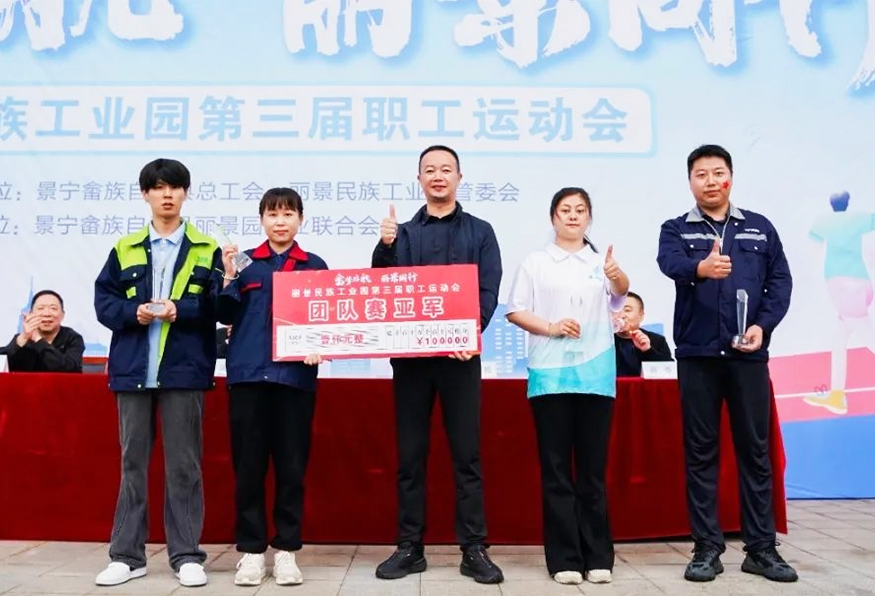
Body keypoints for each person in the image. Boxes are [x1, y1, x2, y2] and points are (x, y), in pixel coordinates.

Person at [656, 144, 796, 583]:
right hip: (697, 355)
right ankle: (706, 548)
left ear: (730, 177)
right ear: (690, 182)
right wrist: (701, 268)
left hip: (747, 356)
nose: (711, 181)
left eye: (718, 172)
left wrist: (763, 326)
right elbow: (669, 263)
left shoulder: (759, 227)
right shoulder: (676, 228)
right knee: (701, 452)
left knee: (755, 452)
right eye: (701, 174)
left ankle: (761, 549)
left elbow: (780, 281)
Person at [371, 145, 504, 584]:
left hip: (458, 359)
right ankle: (410, 546)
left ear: (459, 177)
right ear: (419, 179)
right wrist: (385, 247)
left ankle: (474, 548)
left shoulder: (481, 231)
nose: (438, 176)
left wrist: (470, 333)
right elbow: (381, 286)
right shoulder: (403, 233)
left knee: (467, 455)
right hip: (411, 361)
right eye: (430, 170)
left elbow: (488, 290)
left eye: (446, 169)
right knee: (410, 456)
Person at [93, 158, 221, 588]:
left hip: (184, 371)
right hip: (133, 371)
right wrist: (134, 313)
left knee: (184, 465)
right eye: (159, 187)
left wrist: (178, 309)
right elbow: (104, 303)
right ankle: (127, 556)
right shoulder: (124, 248)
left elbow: (218, 305)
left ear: (186, 193)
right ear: (145, 194)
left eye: (175, 187)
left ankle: (186, 555)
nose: (167, 194)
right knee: (133, 464)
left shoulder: (207, 248)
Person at [506, 187, 629, 586]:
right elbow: (516, 310)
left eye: (580, 210)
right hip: (550, 375)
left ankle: (598, 557)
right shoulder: (536, 262)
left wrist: (617, 276)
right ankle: (564, 559)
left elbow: (621, 295)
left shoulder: (600, 262)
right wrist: (552, 327)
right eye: (565, 210)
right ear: (553, 217)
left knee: (592, 470)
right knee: (557, 470)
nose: (573, 216)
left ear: (589, 218)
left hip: (596, 375)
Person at [217, 188, 327, 587]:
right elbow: (223, 312)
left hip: (295, 379)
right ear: (262, 219)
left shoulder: (314, 265)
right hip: (248, 376)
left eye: (288, 214)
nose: (280, 222)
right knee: (248, 468)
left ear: (301, 219)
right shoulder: (243, 263)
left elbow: (326, 319)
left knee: (292, 468)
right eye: (273, 214)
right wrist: (228, 276)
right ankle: (250, 552)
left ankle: (286, 551)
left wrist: (319, 344)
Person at [804, 191, 875, 415]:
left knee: (867, 336)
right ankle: (836, 396)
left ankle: (836, 397)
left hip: (844, 286)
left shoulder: (823, 222)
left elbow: (813, 251)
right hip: (859, 282)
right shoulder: (860, 218)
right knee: (839, 339)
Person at [1, 289, 84, 372]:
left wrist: (38, 340)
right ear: (30, 314)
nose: (46, 314)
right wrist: (21, 340)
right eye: (40, 308)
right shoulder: (23, 338)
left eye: (53, 308)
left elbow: (70, 368)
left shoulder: (72, 338)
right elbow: (2, 363)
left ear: (62, 315)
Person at [613, 291, 673, 377]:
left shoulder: (657, 340)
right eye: (617, 310)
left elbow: (669, 372)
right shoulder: (604, 341)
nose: (621, 315)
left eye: (627, 310)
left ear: (641, 315)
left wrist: (648, 350)